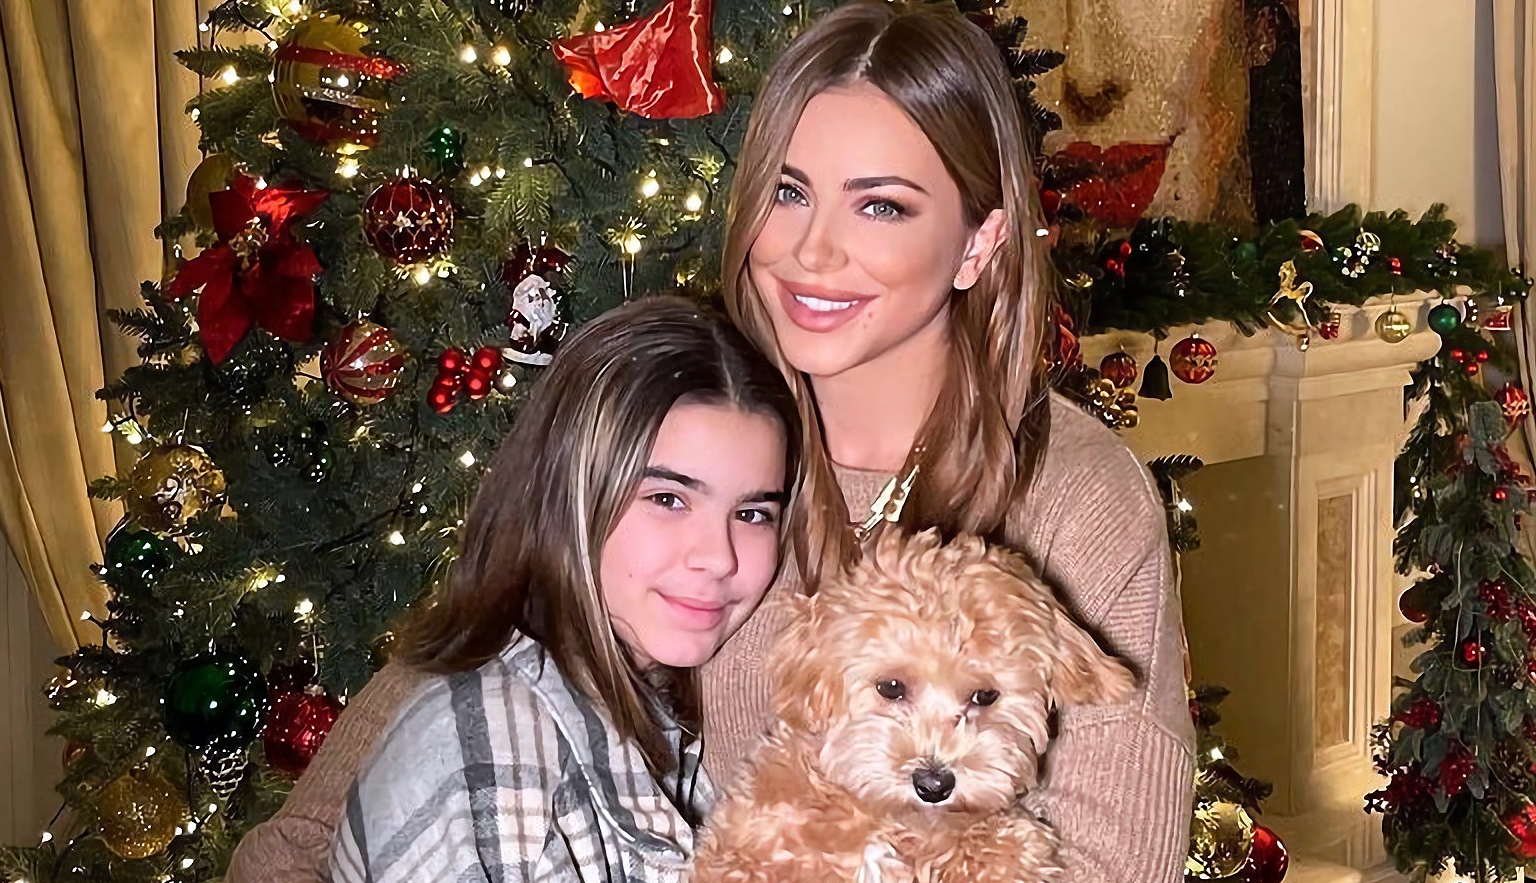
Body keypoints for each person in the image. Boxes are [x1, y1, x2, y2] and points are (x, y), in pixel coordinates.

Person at [230, 3, 1194, 881]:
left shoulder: (1077, 497)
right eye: (788, 192)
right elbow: (309, 834)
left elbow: (1112, 863)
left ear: (980, 242)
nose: (811, 251)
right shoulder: (692, 424)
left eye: (881, 205)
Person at [323, 297, 799, 882]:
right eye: (667, 499)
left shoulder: (664, 716)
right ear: (568, 497)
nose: (719, 557)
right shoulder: (494, 756)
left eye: (752, 514)